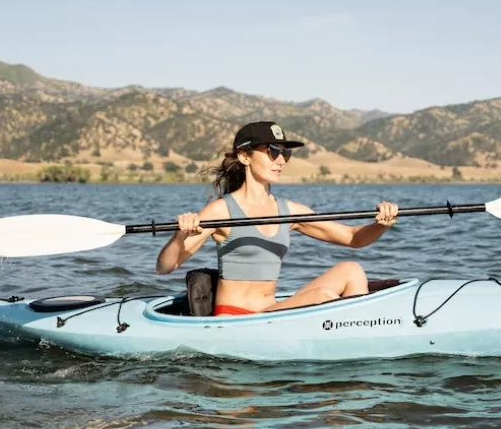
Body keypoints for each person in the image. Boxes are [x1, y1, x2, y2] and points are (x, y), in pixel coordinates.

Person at [156, 121, 398, 315]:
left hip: (271, 311)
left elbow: (353, 238)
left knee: (351, 270)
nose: (281, 160)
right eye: (272, 152)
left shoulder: (289, 211)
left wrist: (381, 224)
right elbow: (165, 267)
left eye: (285, 152)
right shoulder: (221, 211)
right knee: (322, 296)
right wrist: (179, 236)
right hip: (236, 317)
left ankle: (359, 335)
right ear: (245, 157)